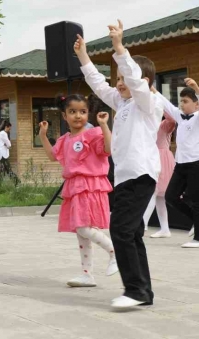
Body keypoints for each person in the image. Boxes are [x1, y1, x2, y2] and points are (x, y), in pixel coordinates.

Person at [76, 19, 163, 309]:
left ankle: (135, 290)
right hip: (125, 176)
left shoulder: (149, 103)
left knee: (121, 231)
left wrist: (118, 47)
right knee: (133, 232)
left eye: (124, 78)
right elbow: (98, 85)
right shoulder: (124, 104)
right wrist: (84, 58)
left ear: (145, 82)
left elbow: (136, 81)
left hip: (140, 174)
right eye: (118, 78)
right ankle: (143, 292)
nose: (120, 82)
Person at [39, 94, 117, 288]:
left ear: (88, 113)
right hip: (74, 186)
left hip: (90, 185)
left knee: (83, 227)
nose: (78, 116)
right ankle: (87, 274)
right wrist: (42, 135)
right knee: (80, 233)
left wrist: (105, 125)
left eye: (82, 111)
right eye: (72, 112)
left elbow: (108, 149)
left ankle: (114, 252)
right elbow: (52, 156)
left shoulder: (93, 133)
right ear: (64, 116)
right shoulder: (65, 139)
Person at [158, 80, 199, 248]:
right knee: (170, 196)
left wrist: (197, 89)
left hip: (197, 164)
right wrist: (151, 89)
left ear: (196, 105)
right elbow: (165, 103)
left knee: (196, 200)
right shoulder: (180, 118)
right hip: (181, 165)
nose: (181, 104)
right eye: (181, 101)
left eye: (185, 101)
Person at [143, 115, 177, 238]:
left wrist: (162, 103)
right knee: (159, 197)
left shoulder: (164, 124)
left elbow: (172, 120)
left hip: (162, 159)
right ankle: (165, 228)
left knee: (154, 191)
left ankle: (143, 223)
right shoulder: (149, 124)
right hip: (152, 158)